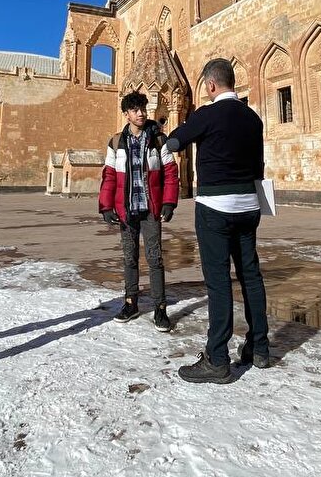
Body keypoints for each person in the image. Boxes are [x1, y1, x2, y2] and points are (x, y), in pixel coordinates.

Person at [165, 57, 270, 384]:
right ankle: (259, 347)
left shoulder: (206, 115)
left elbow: (174, 142)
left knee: (219, 280)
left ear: (210, 85)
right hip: (249, 205)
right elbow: (259, 165)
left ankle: (217, 358)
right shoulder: (252, 118)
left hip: (215, 207)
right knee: (250, 274)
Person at [98, 92, 180, 332]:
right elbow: (109, 175)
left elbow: (170, 171)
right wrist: (106, 206)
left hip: (150, 209)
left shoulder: (158, 139)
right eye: (135, 110)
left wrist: (169, 202)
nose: (141, 113)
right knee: (129, 257)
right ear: (126, 114)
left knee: (155, 258)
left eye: (143, 109)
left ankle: (160, 308)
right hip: (127, 210)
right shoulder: (116, 142)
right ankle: (130, 303)